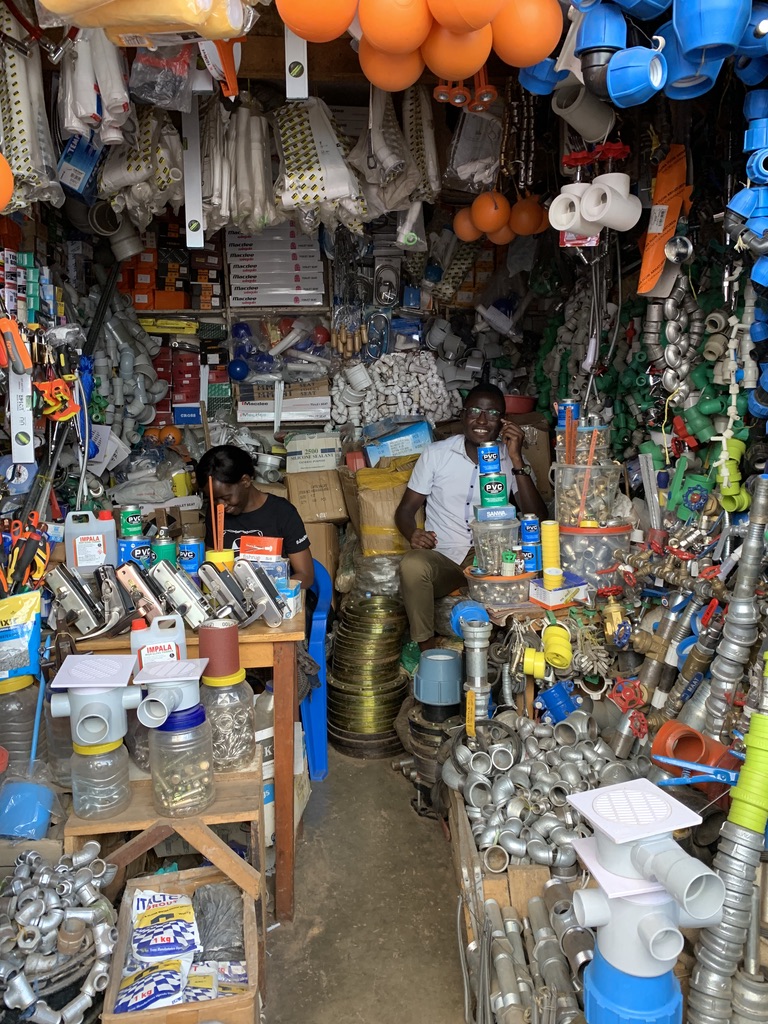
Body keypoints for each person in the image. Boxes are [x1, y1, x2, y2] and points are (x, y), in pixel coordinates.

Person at [394, 384, 547, 650]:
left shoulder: (509, 459)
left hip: (494, 562)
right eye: (475, 411)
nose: (482, 420)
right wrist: (413, 534)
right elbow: (405, 511)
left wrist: (516, 459)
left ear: (504, 421)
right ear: (463, 415)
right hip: (446, 558)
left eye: (492, 413)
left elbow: (537, 518)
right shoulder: (436, 455)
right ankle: (428, 650)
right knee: (413, 565)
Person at [195, 444, 314, 590]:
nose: (221, 506)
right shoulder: (216, 514)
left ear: (245, 481)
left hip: (275, 597)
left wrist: (267, 592)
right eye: (214, 500)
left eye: (225, 498)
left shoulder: (282, 513)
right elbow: (212, 568)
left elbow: (305, 575)